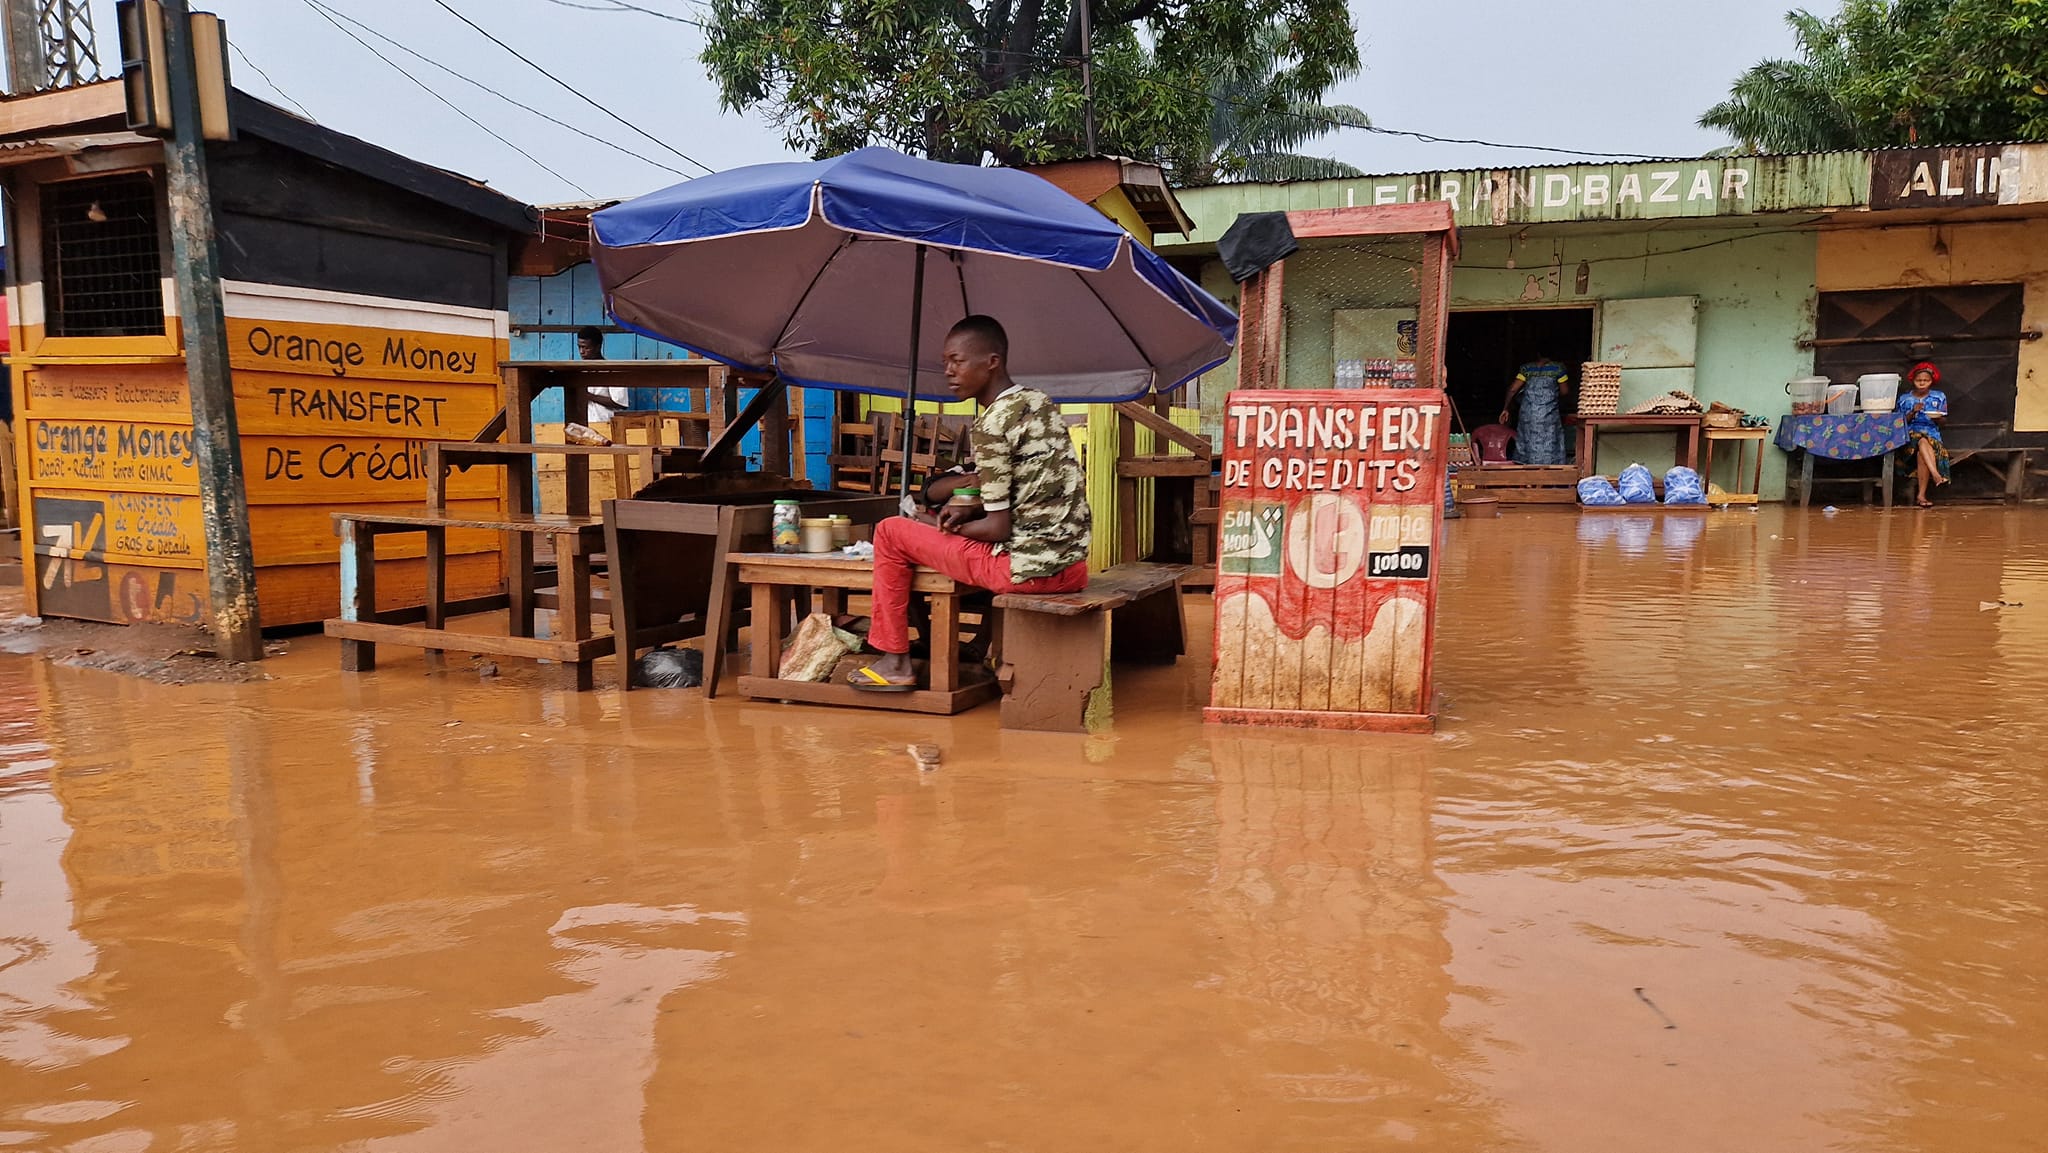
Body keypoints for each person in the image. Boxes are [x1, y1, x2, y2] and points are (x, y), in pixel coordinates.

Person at [850, 315, 1090, 690]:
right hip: (1072, 566)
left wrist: (941, 525)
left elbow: (998, 529)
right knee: (920, 529)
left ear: (992, 362)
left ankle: (895, 662)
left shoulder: (992, 425)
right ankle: (963, 645)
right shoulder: (1038, 403)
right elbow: (1026, 488)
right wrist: (967, 508)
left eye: (957, 361)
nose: (948, 371)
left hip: (1025, 572)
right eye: (945, 362)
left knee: (891, 531)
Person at [1501, 356, 1571, 465]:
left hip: (1528, 414)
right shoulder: (1558, 368)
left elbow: (1513, 389)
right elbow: (1565, 391)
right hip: (1549, 415)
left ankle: (1529, 475)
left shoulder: (1527, 369)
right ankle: (1549, 476)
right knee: (1550, 444)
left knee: (1528, 442)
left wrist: (1506, 408)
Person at [1898, 361, 1949, 507]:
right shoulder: (1904, 399)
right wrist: (1913, 412)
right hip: (1910, 436)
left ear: (1931, 381)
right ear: (1913, 381)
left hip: (1932, 435)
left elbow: (1944, 422)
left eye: (1926, 380)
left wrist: (1938, 417)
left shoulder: (1939, 397)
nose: (1922, 383)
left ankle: (1921, 496)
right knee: (1921, 440)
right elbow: (1899, 422)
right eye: (1919, 380)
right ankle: (1936, 475)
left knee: (1923, 450)